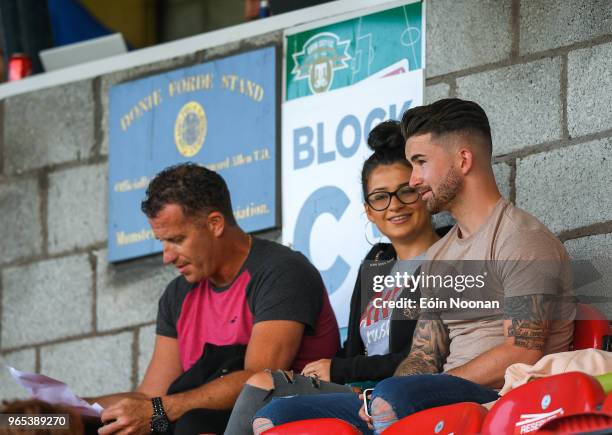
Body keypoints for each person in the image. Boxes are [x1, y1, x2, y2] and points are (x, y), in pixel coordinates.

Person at [252, 99, 575, 434]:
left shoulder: (520, 239)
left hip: (500, 399)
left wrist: (414, 391)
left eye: (420, 163)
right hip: (435, 396)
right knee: (278, 414)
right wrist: (375, 397)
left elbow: (522, 350)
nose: (416, 179)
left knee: (392, 395)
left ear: (463, 160)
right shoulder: (440, 255)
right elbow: (423, 355)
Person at [224, 120, 445, 435]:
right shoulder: (377, 261)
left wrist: (340, 368)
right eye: (380, 197)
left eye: (405, 191)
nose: (394, 205)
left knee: (266, 387)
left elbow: (426, 353)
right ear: (369, 210)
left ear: (423, 193)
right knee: (264, 386)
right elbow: (353, 348)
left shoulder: (449, 257)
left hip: (402, 392)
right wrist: (327, 370)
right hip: (358, 388)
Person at [89, 163, 340, 435]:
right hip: (196, 420)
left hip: (288, 418)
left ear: (215, 224)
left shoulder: (281, 272)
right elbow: (150, 397)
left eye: (176, 239)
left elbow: (258, 381)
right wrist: (65, 411)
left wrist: (159, 411)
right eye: (162, 242)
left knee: (192, 424)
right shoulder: (177, 294)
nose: (167, 256)